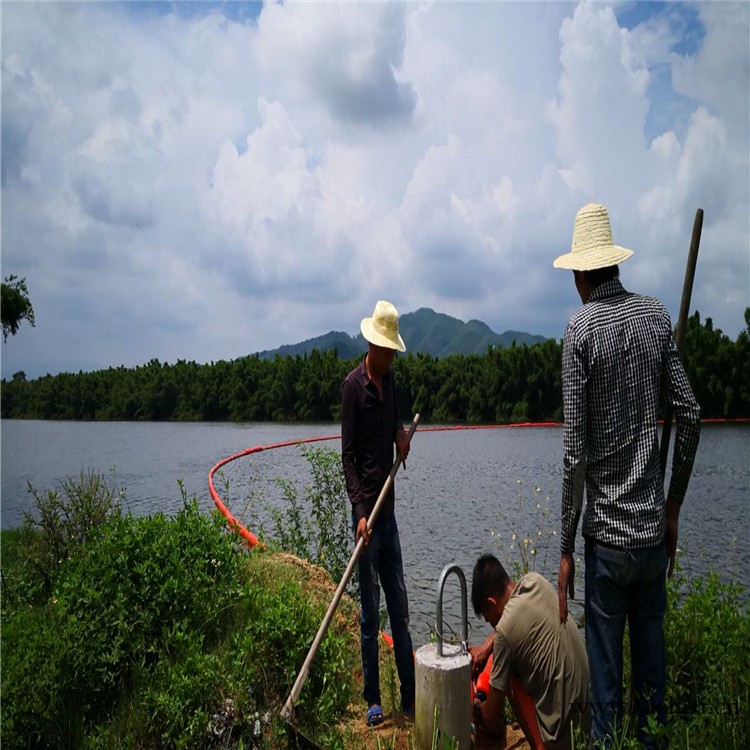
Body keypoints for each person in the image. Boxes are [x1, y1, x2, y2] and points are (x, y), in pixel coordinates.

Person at [553, 203, 701, 747]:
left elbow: (575, 455)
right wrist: (672, 506)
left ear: (579, 274)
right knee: (652, 695)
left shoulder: (580, 333)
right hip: (650, 539)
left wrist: (565, 547)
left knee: (606, 698)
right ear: (613, 264)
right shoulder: (656, 317)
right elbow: (691, 415)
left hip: (608, 551)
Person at [341, 299, 415, 726]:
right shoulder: (353, 387)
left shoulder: (390, 384)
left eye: (392, 351)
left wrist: (401, 436)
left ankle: (410, 697)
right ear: (373, 345)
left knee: (400, 609)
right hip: (367, 520)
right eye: (386, 351)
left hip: (389, 516)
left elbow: (395, 426)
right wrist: (359, 512)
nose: (389, 358)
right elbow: (348, 457)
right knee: (371, 615)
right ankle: (373, 700)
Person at [471, 554, 590, 750]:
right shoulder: (535, 581)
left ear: (491, 603)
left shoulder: (505, 634)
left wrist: (477, 705)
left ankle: (540, 747)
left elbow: (490, 718)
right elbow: (512, 621)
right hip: (584, 724)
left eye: (488, 618)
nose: (491, 625)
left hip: (561, 740)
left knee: (507, 677)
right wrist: (487, 646)